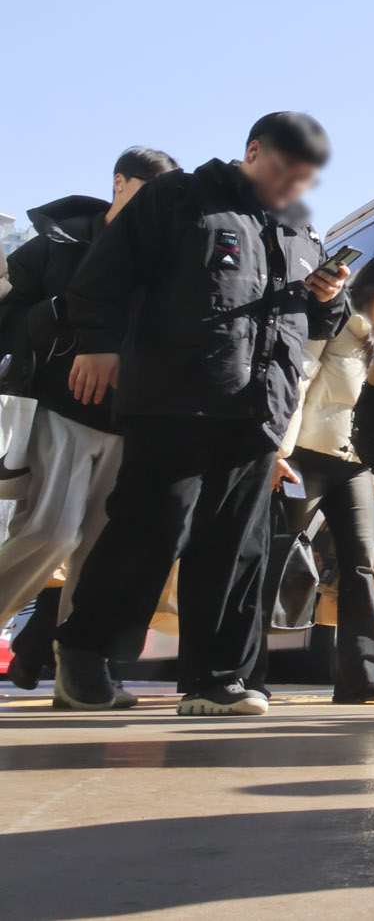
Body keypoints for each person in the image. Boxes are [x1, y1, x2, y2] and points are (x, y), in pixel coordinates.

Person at [52, 115, 350, 716]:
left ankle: (220, 679)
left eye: (305, 178)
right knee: (151, 528)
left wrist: (330, 298)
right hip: (175, 395)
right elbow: (107, 272)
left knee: (240, 547)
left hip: (259, 409)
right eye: (285, 171)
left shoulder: (300, 231)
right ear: (252, 151)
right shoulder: (179, 197)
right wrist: (98, 344)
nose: (294, 186)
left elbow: (316, 324)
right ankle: (84, 657)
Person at [0, 147, 181, 691]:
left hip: (133, 419)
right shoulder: (59, 240)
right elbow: (8, 318)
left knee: (99, 555)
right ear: (119, 183)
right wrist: (57, 318)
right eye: (147, 194)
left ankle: (75, 673)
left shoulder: (168, 256)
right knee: (50, 533)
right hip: (62, 404)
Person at [273, 252, 374, 703]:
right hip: (305, 457)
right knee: (276, 558)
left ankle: (361, 678)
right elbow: (299, 380)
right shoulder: (335, 322)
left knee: (361, 562)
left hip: (354, 464)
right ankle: (241, 668)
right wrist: (280, 452)